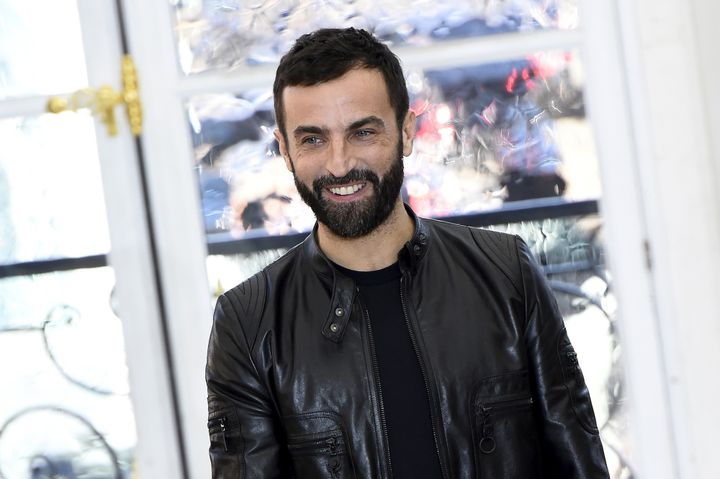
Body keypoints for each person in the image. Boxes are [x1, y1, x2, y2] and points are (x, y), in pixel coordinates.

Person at [206, 27, 609, 479]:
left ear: (406, 132)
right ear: (285, 150)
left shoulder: (506, 272)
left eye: (362, 132)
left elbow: (579, 462)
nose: (339, 165)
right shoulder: (247, 324)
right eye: (313, 139)